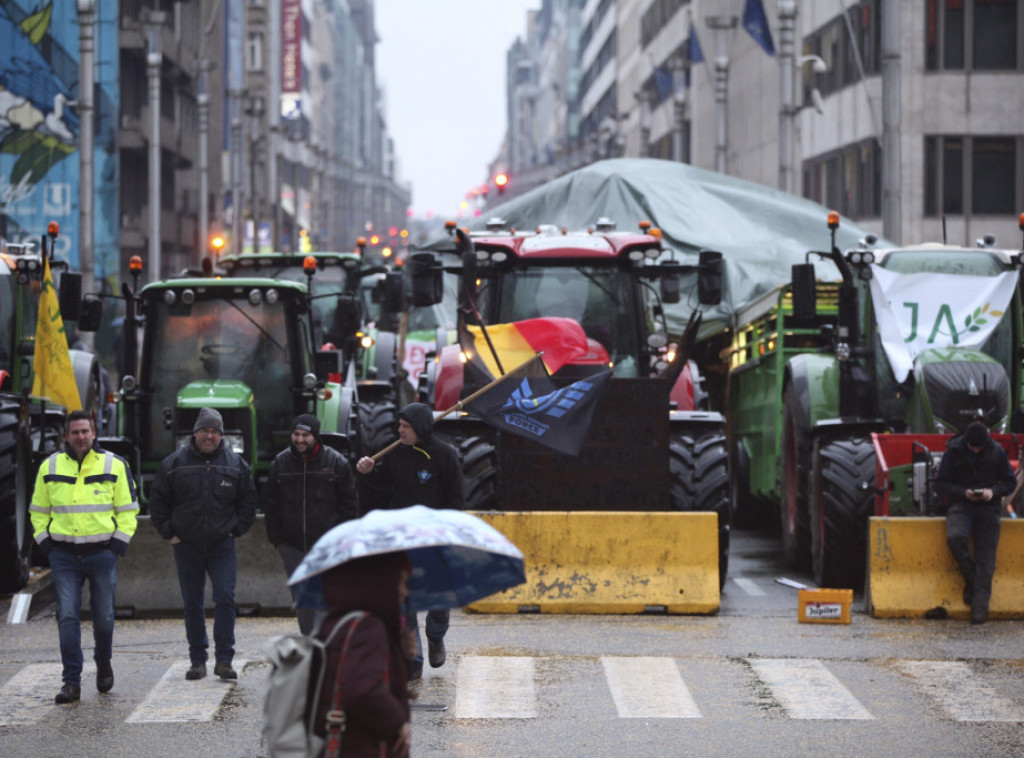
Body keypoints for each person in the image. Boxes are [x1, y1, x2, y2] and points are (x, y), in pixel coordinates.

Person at [30, 410, 139, 704]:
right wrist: (46, 546)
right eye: (75, 432)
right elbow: (38, 512)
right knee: (67, 616)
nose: (80, 437)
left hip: (102, 553)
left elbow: (128, 512)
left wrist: (117, 545)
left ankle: (103, 662)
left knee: (103, 618)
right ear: (66, 436)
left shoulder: (115, 465)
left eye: (85, 432)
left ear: (94, 434)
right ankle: (71, 682)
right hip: (63, 556)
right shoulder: (48, 466)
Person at [356, 403, 464, 679]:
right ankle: (412, 659)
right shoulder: (394, 455)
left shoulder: (444, 456)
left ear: (420, 428)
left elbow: (455, 500)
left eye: (406, 426)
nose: (399, 431)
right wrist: (368, 473)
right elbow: (381, 489)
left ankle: (436, 636)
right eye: (399, 426)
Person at [149, 407, 257, 679]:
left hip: (222, 546)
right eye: (205, 430)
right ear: (195, 433)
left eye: (215, 431)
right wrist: (169, 533)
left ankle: (224, 660)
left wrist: (236, 530)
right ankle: (197, 659)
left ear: (221, 435)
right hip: (186, 545)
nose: (209, 436)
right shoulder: (174, 464)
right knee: (193, 604)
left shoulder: (235, 465)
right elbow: (158, 502)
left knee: (225, 598)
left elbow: (248, 502)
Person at [264, 413, 359, 634]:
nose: (300, 440)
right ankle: (312, 643)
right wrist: (277, 540)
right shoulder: (280, 464)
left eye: (305, 435)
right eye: (296, 434)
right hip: (292, 546)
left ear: (315, 437)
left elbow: (349, 507)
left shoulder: (337, 463)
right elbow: (271, 505)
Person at [312, 553, 413, 758]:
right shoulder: (368, 627)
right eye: (400, 582)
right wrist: (398, 722)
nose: (405, 592)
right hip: (363, 746)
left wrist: (401, 656)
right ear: (381, 583)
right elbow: (362, 691)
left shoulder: (341, 620)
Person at [934, 421, 1016, 625]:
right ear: (966, 442)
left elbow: (1010, 482)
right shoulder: (953, 452)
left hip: (989, 508)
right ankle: (973, 581)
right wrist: (963, 493)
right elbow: (941, 483)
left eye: (980, 447)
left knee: (986, 558)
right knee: (955, 537)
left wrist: (992, 492)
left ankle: (980, 608)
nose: (977, 450)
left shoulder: (997, 452)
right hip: (961, 505)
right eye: (973, 447)